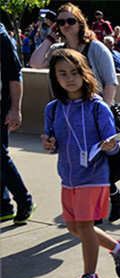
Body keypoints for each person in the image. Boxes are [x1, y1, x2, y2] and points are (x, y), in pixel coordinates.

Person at [42, 49, 120, 278]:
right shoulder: (53, 108)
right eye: (62, 74)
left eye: (74, 72)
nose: (69, 78)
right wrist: (49, 145)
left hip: (94, 175)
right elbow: (53, 142)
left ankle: (90, 277)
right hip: (68, 178)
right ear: (55, 77)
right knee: (73, 227)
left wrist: (111, 146)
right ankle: (118, 247)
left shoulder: (97, 107)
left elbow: (111, 143)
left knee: (84, 225)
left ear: (84, 74)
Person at [30, 3, 120, 222]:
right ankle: (103, 205)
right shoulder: (58, 51)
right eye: (61, 22)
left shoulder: (96, 48)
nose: (66, 25)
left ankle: (108, 201)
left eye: (70, 20)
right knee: (81, 164)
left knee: (101, 164)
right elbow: (35, 63)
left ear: (80, 22)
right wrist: (49, 38)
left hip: (96, 115)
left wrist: (104, 115)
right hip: (70, 117)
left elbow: (111, 82)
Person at [1, 22, 36, 224]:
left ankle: (25, 200)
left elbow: (14, 74)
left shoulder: (1, 35)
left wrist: (15, 109)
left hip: (0, 107)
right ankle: (4, 206)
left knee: (0, 158)